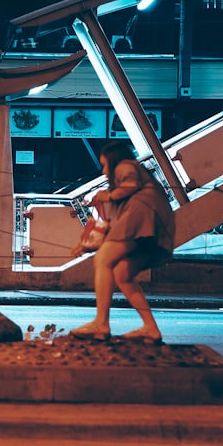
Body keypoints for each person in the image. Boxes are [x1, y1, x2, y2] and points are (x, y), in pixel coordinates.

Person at [71, 140, 175, 344]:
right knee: (122, 274)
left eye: (104, 165)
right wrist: (84, 245)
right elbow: (110, 230)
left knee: (103, 261)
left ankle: (101, 323)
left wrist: (106, 195)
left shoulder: (126, 166)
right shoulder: (128, 186)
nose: (104, 171)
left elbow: (129, 186)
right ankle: (150, 328)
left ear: (114, 160)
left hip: (141, 218)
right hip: (153, 228)